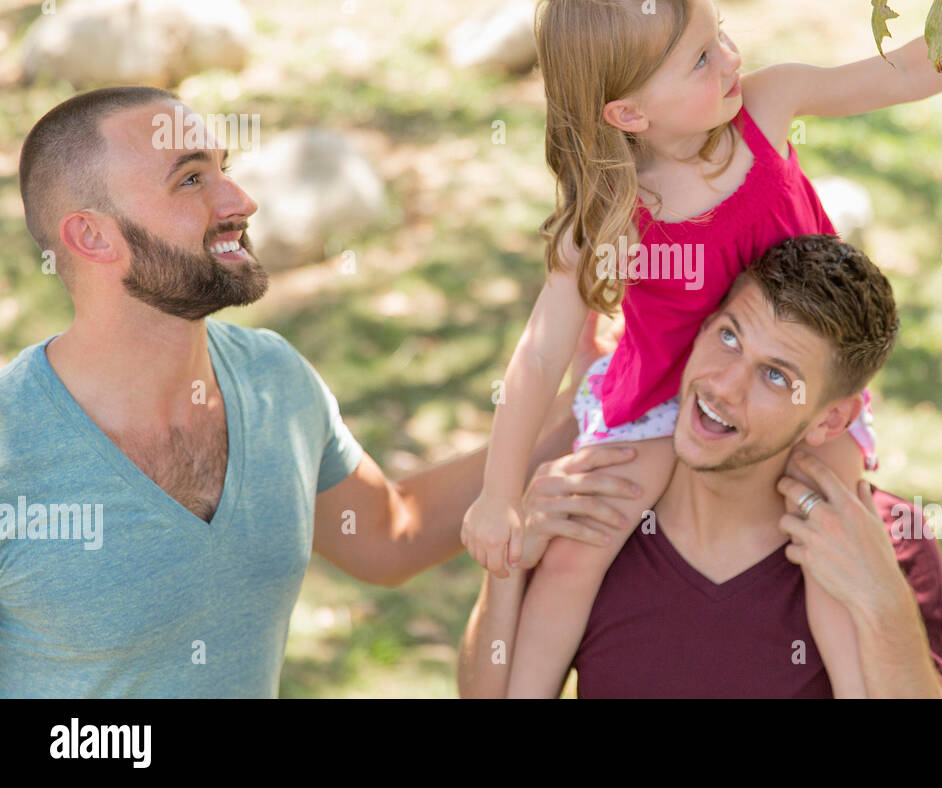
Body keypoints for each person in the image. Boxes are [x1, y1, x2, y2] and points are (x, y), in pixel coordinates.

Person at [460, 0, 942, 697]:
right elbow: (537, 357)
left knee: (829, 529)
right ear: (628, 113)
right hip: (666, 400)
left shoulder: (765, 108)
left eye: (720, 36)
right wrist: (499, 495)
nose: (730, 59)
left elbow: (906, 72)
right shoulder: (610, 218)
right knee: (574, 554)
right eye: (700, 58)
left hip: (795, 379)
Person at [0, 87, 587, 697]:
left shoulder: (273, 381)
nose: (240, 201)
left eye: (223, 170)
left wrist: (586, 411)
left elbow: (389, 536)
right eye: (191, 180)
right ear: (92, 237)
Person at [458, 235, 942, 697]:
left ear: (831, 420)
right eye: (728, 338)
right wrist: (509, 565)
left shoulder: (885, 544)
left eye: (774, 376)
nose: (724, 386)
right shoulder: (594, 512)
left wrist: (884, 604)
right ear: (700, 328)